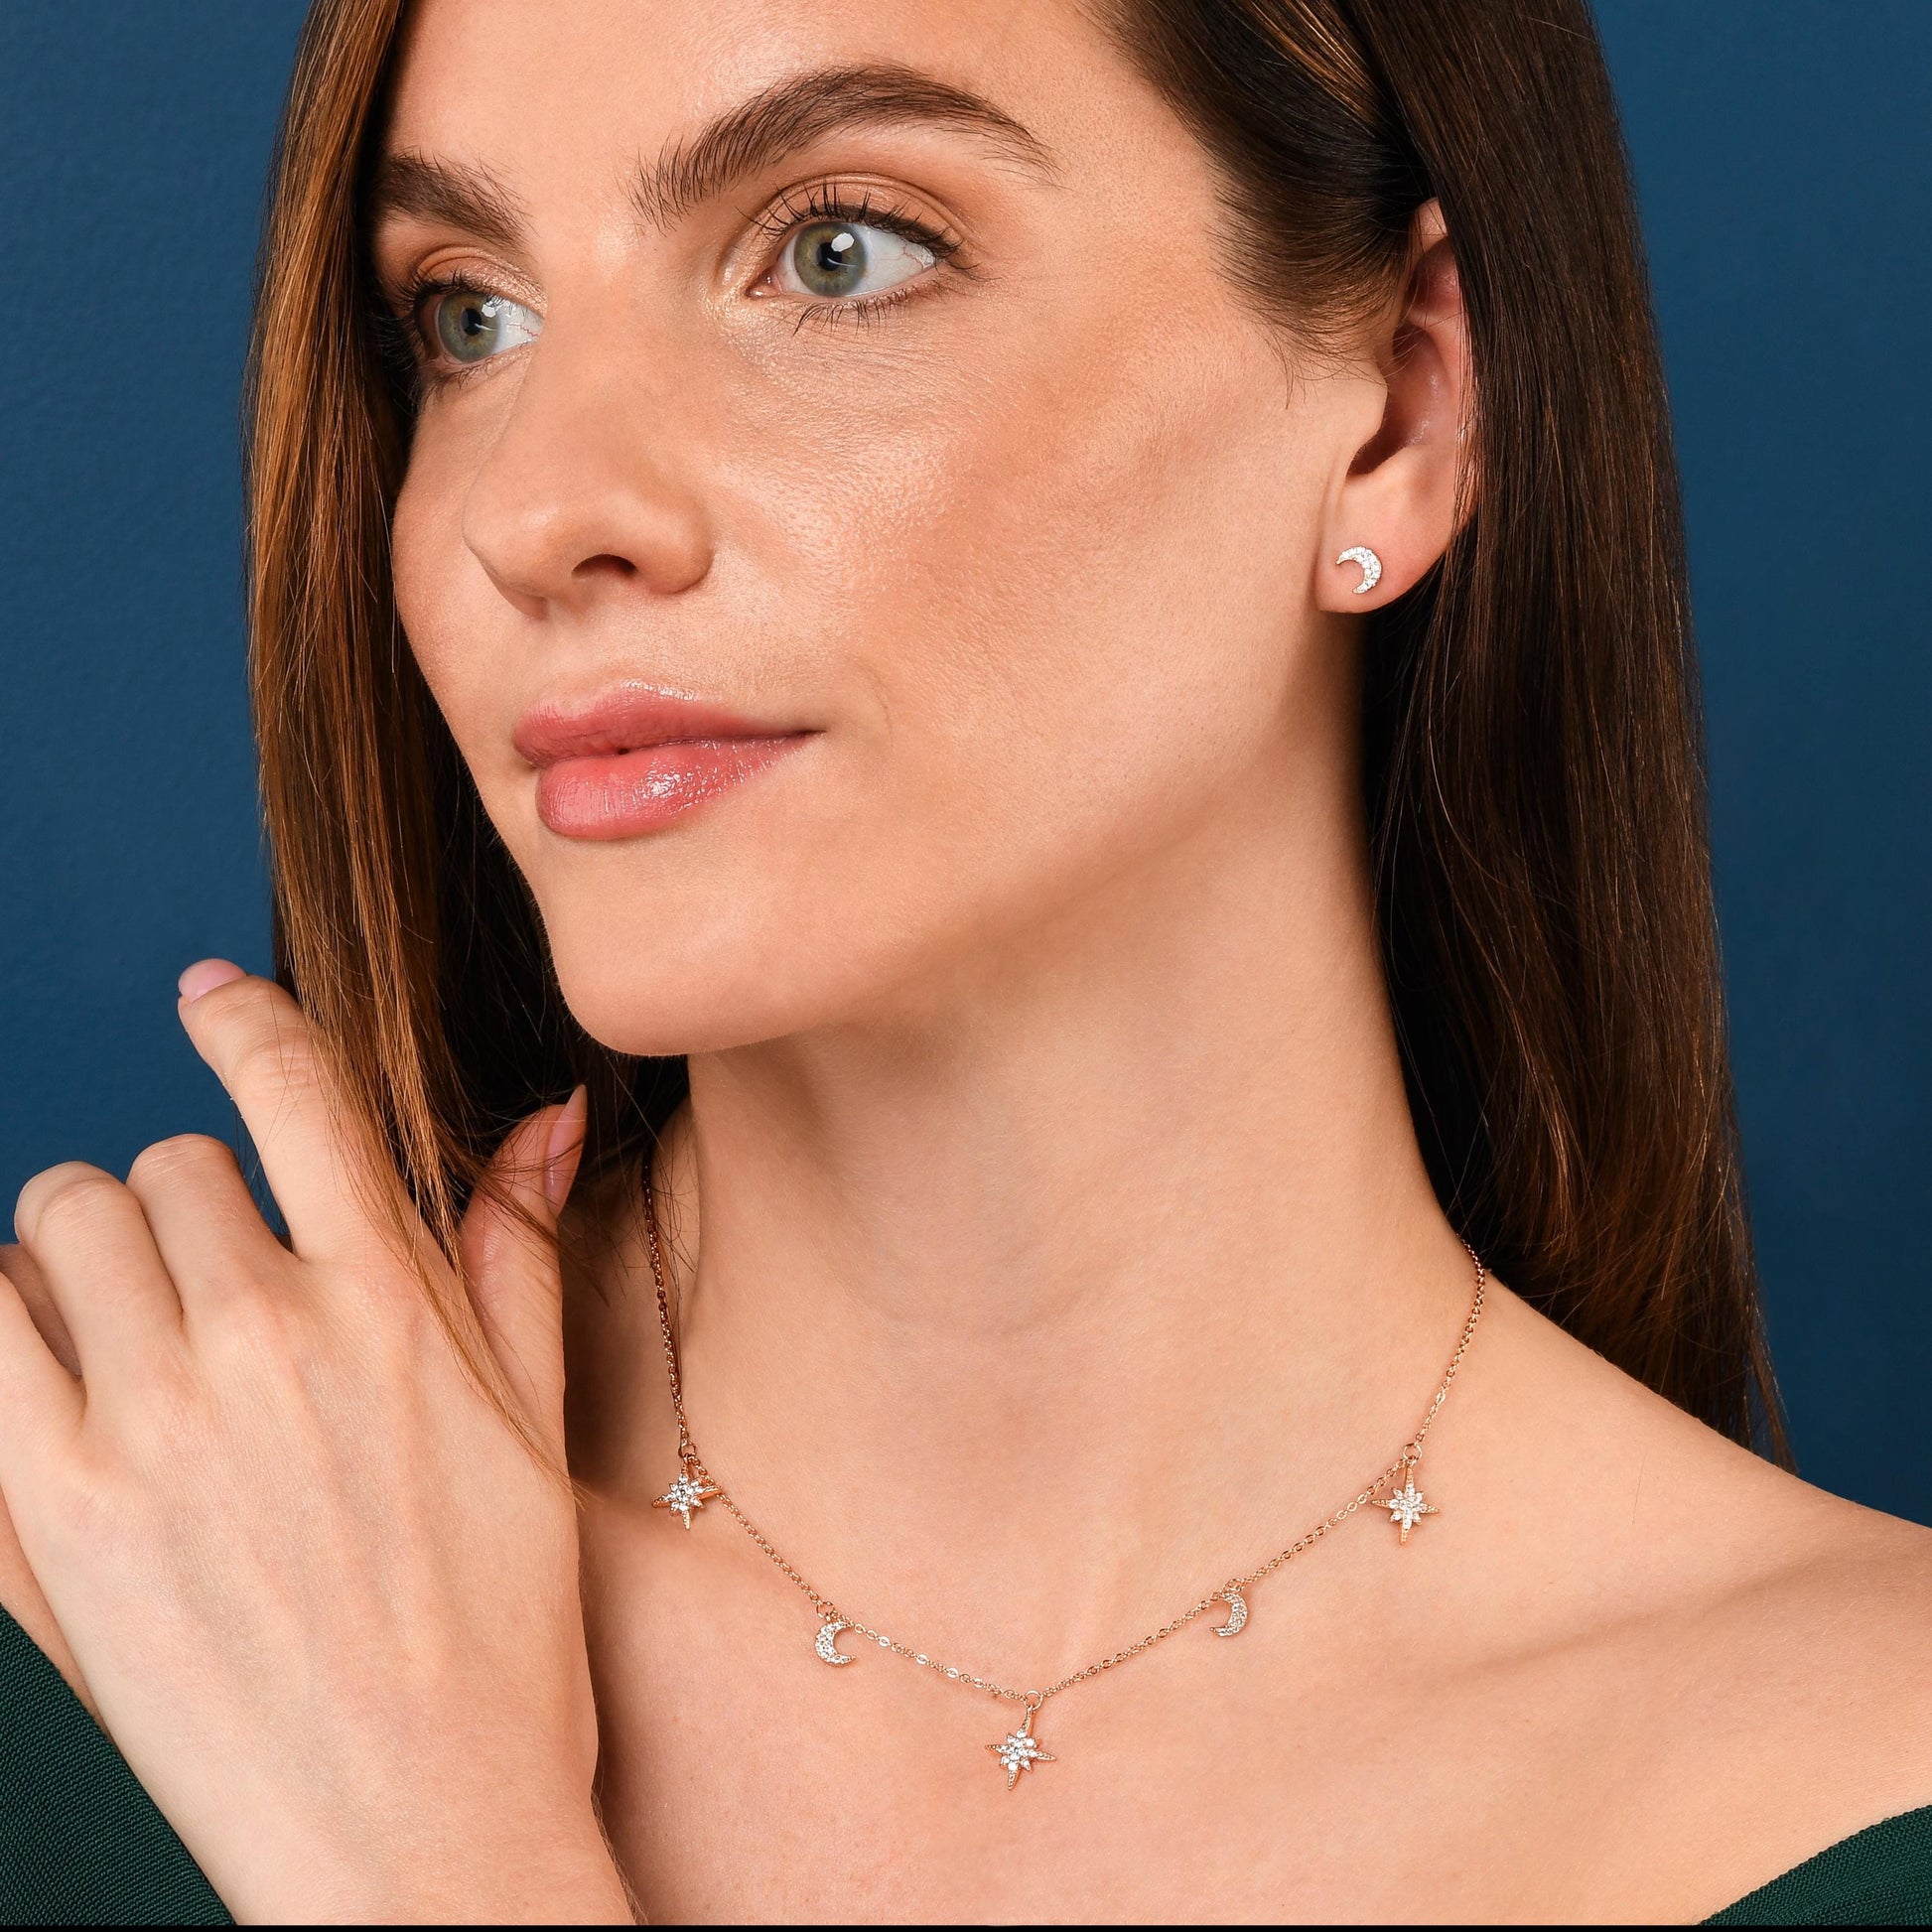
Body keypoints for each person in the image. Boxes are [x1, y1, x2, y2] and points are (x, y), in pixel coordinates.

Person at [2, 0, 1927, 1920]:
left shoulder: (1863, 1779)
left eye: (839, 253)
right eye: (468, 316)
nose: (539, 511)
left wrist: (436, 1872)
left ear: (1401, 414)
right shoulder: (94, 1569)